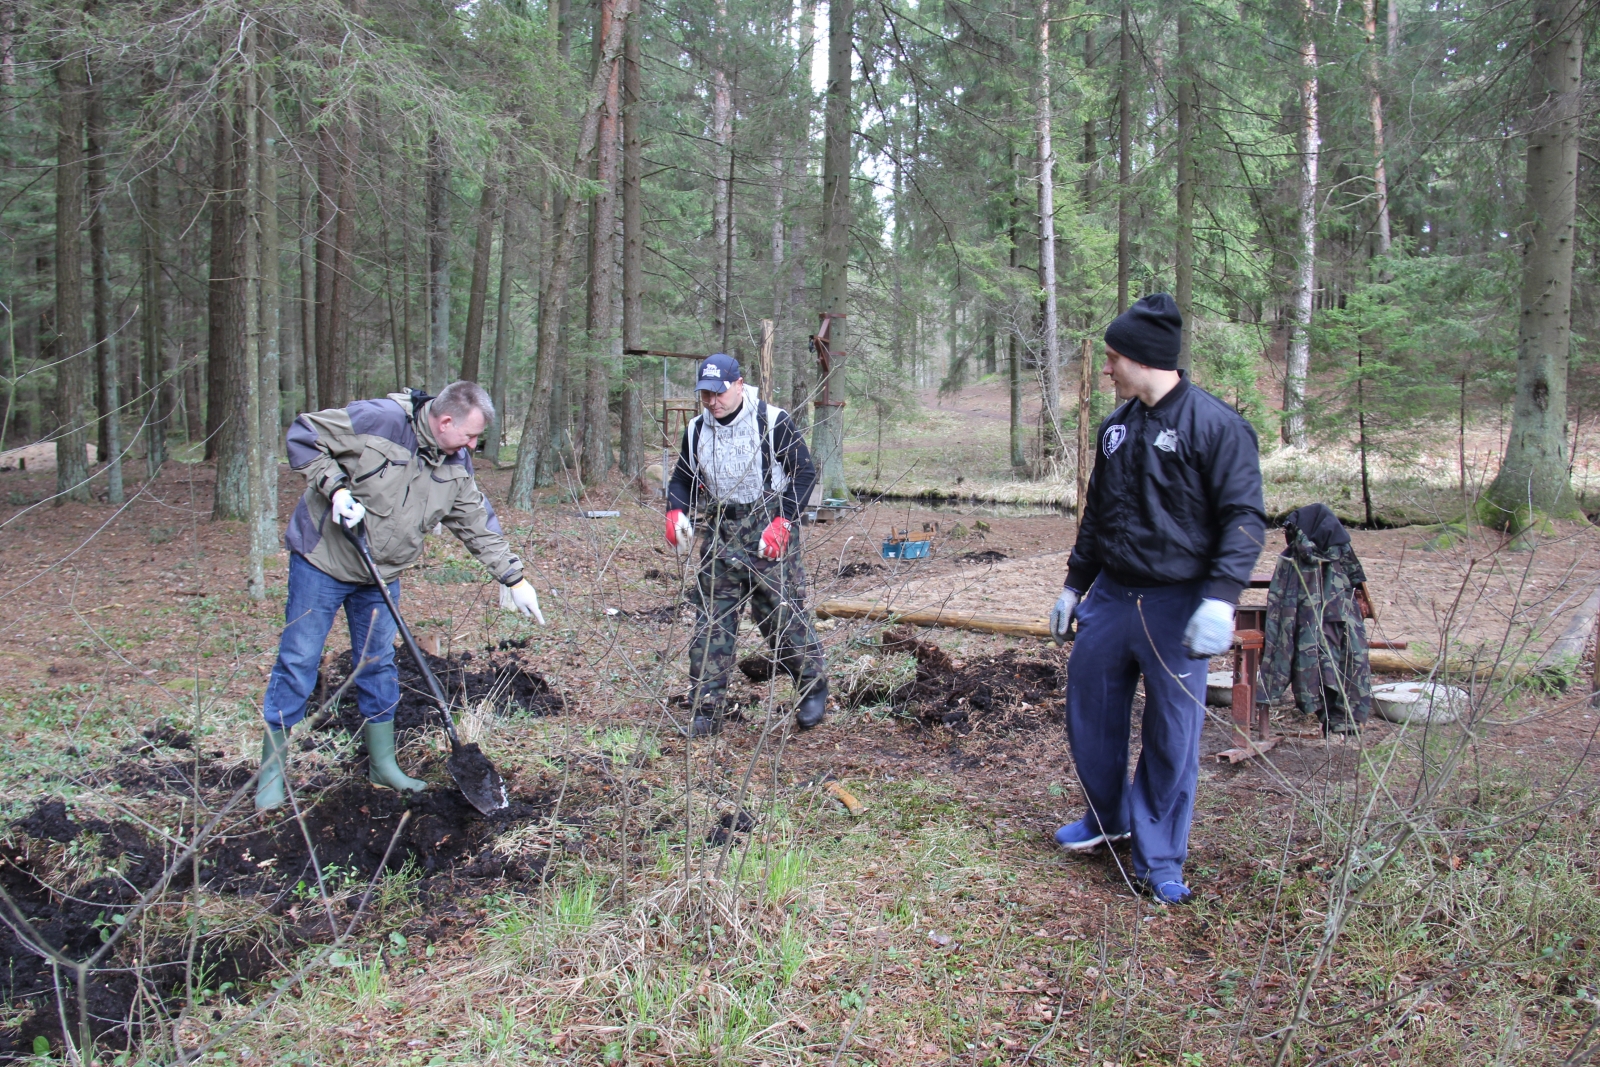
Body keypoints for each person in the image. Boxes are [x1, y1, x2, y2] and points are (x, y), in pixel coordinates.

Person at [1046, 294, 1266, 904]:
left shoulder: (1216, 426)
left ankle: (1160, 855)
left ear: (1143, 358)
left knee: (1171, 734)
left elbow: (1245, 518)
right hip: (1113, 599)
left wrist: (1220, 598)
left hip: (1179, 604)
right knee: (1091, 717)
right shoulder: (1116, 427)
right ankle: (1108, 816)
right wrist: (1074, 585)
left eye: (1113, 357)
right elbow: (1096, 517)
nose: (1107, 368)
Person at [255, 381, 545, 811]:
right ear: (444, 421)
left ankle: (383, 766)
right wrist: (335, 489)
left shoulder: (455, 461)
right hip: (324, 560)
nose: (473, 444)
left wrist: (514, 579)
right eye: (469, 435)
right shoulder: (378, 421)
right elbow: (304, 435)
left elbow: (475, 522)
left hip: (381, 573)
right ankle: (270, 777)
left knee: (377, 666)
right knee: (299, 661)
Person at [665, 353, 829, 737]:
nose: (712, 401)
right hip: (720, 528)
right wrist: (676, 510)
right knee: (711, 622)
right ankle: (706, 709)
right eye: (705, 394)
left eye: (719, 393)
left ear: (739, 385)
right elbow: (682, 479)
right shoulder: (695, 429)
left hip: (767, 525)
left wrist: (784, 520)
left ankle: (812, 684)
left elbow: (804, 472)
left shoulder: (772, 422)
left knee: (778, 616)